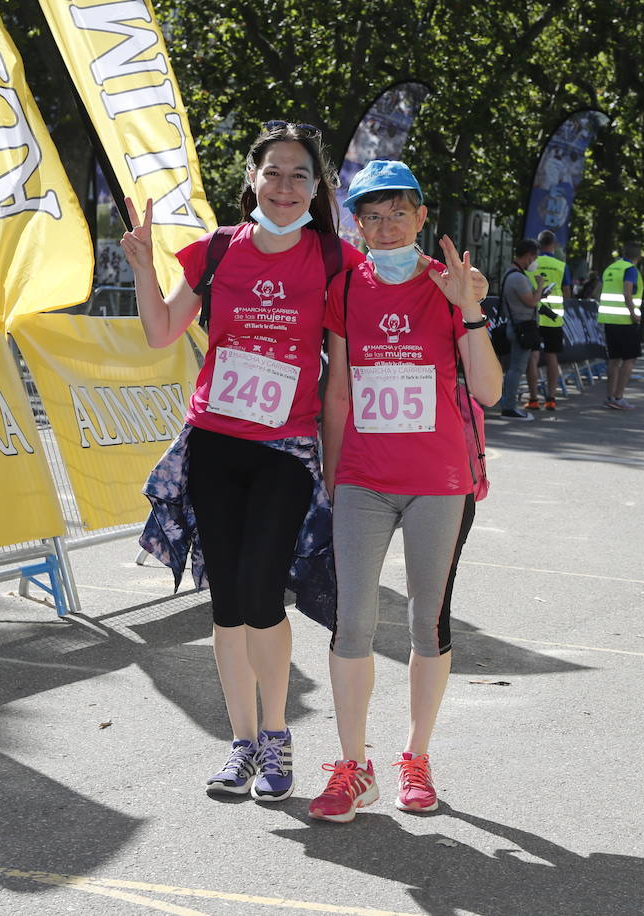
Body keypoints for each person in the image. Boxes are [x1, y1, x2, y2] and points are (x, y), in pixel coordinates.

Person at [124, 122, 366, 802]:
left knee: (263, 591)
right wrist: (144, 268)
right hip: (215, 444)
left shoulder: (334, 259)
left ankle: (277, 732)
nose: (285, 187)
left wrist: (345, 467)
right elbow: (160, 331)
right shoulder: (217, 252)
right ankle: (242, 744)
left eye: (300, 176)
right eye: (274, 173)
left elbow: (352, 361)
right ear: (252, 181)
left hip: (287, 449)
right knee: (227, 602)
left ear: (317, 189)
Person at [311, 160, 501, 822]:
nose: (386, 227)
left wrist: (469, 307)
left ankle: (415, 757)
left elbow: (490, 391)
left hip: (440, 479)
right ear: (355, 224)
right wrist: (333, 476)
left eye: (398, 214)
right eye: (371, 216)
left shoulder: (449, 284)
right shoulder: (345, 287)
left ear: (422, 218)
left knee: (426, 620)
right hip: (363, 476)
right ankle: (352, 765)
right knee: (353, 619)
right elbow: (337, 389)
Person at [496, 239, 541, 420]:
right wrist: (540, 286)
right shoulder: (518, 277)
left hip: (516, 325)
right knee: (516, 368)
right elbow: (530, 301)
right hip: (521, 328)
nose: (534, 261)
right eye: (534, 257)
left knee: (514, 368)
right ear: (529, 256)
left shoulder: (512, 274)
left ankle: (507, 403)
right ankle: (509, 407)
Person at [529, 229, 572, 410]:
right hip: (554, 319)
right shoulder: (562, 266)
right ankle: (551, 398)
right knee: (552, 357)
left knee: (533, 357)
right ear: (554, 245)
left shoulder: (531, 264)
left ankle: (533, 400)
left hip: (533, 316)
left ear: (538, 245)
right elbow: (568, 294)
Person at [598, 242, 642, 409]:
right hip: (625, 321)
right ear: (638, 257)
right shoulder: (630, 269)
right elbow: (627, 292)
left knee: (614, 359)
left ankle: (610, 396)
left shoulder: (611, 268)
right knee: (630, 358)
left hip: (609, 319)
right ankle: (619, 397)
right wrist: (633, 313)